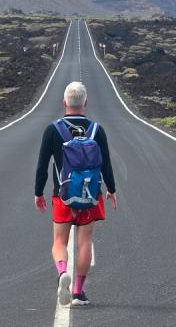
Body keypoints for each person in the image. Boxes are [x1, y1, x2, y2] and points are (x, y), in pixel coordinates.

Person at [34, 81, 117, 307]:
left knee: (59, 241)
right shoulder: (96, 130)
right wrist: (111, 189)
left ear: (64, 103)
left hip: (62, 196)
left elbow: (42, 165)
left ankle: (62, 273)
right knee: (85, 243)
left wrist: (38, 192)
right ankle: (78, 293)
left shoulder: (53, 129)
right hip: (90, 196)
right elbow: (106, 164)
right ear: (86, 103)